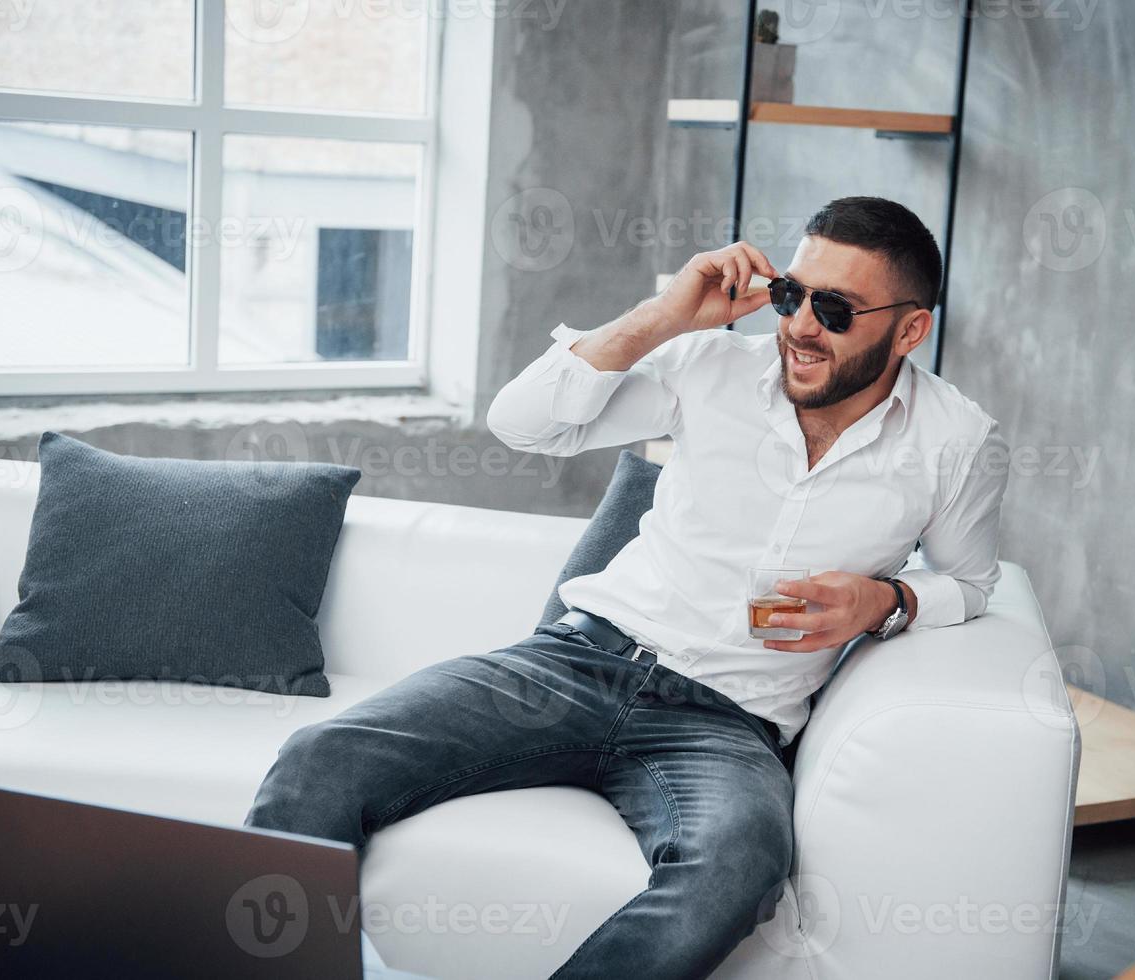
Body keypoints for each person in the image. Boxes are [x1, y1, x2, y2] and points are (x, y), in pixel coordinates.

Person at [246, 196, 1008, 978]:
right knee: (320, 759)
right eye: (792, 295)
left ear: (911, 329)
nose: (802, 326)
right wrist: (663, 317)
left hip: (726, 722)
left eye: (836, 309)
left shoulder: (957, 442)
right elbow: (524, 424)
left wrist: (886, 602)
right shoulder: (710, 364)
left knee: (739, 866)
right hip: (576, 663)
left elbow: (975, 581)